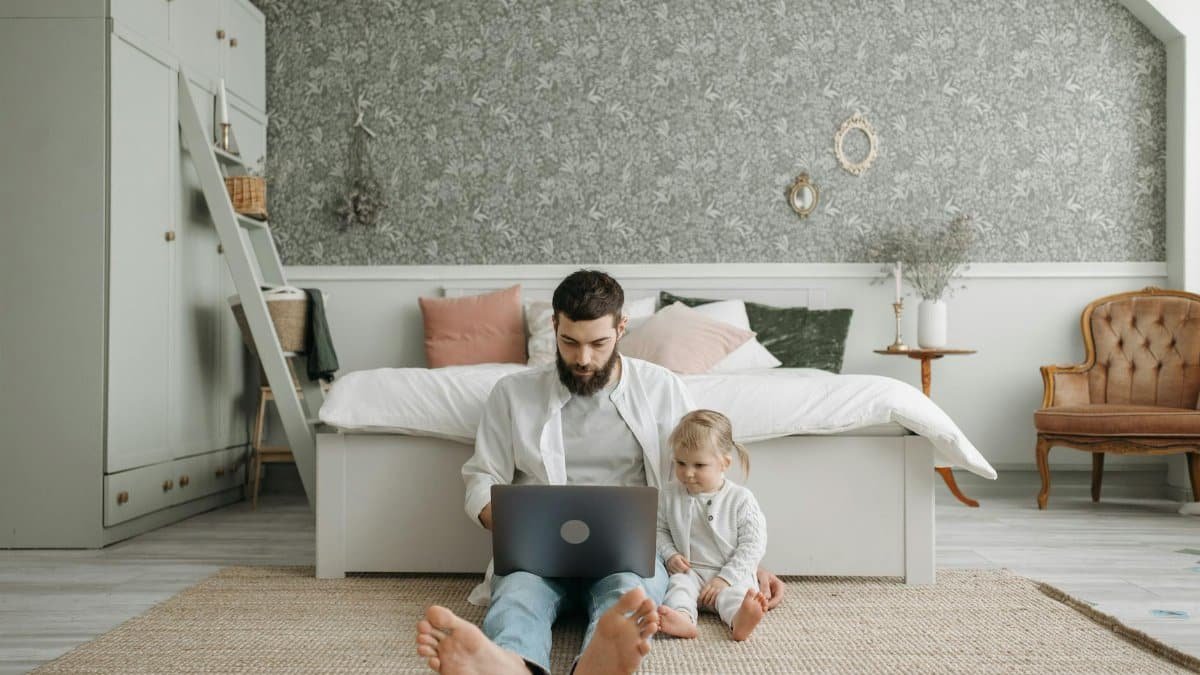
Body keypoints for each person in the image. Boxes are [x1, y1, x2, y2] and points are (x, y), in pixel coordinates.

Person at [415, 271, 784, 675]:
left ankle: (598, 663)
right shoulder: (512, 393)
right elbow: (482, 476)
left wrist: (735, 564)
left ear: (621, 327)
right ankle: (511, 664)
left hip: (628, 555)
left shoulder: (663, 388)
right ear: (554, 325)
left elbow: (697, 482)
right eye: (569, 342)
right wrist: (504, 521)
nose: (583, 358)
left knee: (628, 596)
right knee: (518, 597)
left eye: (598, 343)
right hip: (537, 555)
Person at [655, 410, 769, 642]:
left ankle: (740, 621)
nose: (688, 473)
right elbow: (658, 530)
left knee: (737, 596)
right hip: (690, 571)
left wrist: (725, 578)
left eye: (699, 465)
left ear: (724, 463)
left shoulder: (740, 499)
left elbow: (753, 545)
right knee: (677, 589)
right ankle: (683, 619)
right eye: (680, 463)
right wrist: (669, 554)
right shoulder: (668, 495)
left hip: (728, 574)